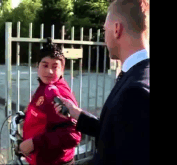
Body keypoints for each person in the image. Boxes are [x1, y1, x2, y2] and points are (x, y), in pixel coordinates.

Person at [54, 0, 150, 164]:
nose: (104, 36)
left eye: (104, 29)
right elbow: (115, 135)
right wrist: (76, 113)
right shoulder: (137, 74)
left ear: (117, 29)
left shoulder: (135, 92)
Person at [18, 37, 81, 165]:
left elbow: (73, 136)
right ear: (37, 66)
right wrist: (29, 112)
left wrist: (34, 143)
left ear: (62, 69)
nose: (49, 71)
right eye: (45, 65)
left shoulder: (58, 93)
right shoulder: (45, 85)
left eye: (55, 66)